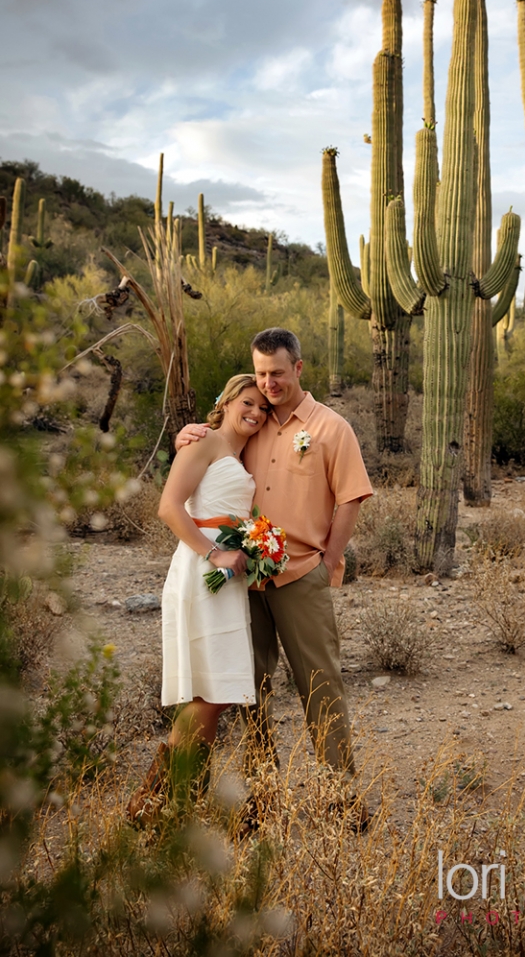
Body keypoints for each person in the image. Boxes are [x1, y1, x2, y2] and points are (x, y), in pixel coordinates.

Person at [176, 328, 372, 820]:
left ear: (299, 369)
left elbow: (350, 498)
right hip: (246, 579)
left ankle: (341, 798)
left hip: (301, 573)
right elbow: (213, 447)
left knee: (319, 684)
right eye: (261, 374)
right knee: (251, 689)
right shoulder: (252, 421)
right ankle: (262, 798)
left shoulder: (331, 428)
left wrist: (330, 561)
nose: (268, 384)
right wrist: (190, 434)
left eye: (277, 373)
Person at [126, 374, 271, 825]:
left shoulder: (236, 450)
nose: (256, 412)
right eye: (248, 402)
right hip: (202, 568)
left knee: (218, 691)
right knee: (208, 694)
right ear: (226, 402)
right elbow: (169, 506)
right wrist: (215, 552)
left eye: (263, 408)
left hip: (226, 577)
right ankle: (152, 804)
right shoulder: (204, 442)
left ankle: (176, 800)